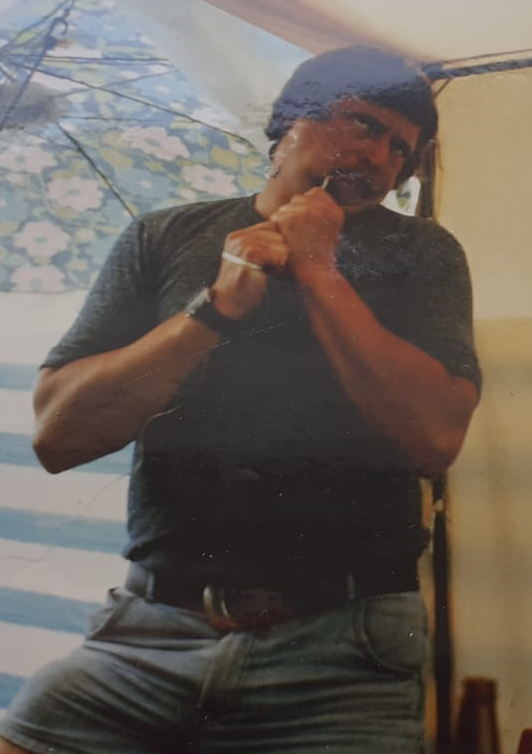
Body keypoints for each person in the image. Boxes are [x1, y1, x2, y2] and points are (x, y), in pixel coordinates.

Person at [0, 46, 481, 754]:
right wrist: (215, 310)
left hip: (342, 647)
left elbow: (434, 440)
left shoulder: (424, 251)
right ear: (287, 126)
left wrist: (319, 268)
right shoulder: (163, 235)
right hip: (148, 631)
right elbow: (58, 437)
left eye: (399, 150)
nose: (379, 157)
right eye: (361, 124)